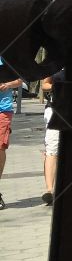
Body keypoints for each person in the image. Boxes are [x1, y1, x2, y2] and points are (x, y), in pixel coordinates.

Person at [0, 62, 24, 212]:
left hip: (3, 110)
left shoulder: (7, 57)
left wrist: (7, 85)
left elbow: (20, 79)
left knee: (0, 147)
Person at [40, 71, 63, 205]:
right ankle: (49, 190)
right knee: (52, 149)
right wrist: (57, 87)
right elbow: (45, 85)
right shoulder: (54, 63)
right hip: (55, 111)